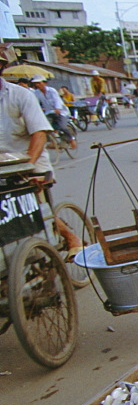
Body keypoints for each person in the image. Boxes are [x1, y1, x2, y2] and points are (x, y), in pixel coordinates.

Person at [0, 44, 82, 257]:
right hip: (2, 167)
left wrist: (26, 166)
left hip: (30, 162)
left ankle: (71, 237)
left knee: (33, 204)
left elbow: (39, 133)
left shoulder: (20, 95)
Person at [31, 75, 76, 150]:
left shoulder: (52, 90)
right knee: (45, 127)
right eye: (36, 83)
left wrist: (57, 108)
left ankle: (71, 139)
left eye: (39, 83)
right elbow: (36, 103)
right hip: (49, 112)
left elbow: (57, 100)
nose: (37, 85)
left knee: (62, 126)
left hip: (60, 112)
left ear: (44, 83)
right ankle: (53, 141)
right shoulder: (36, 93)